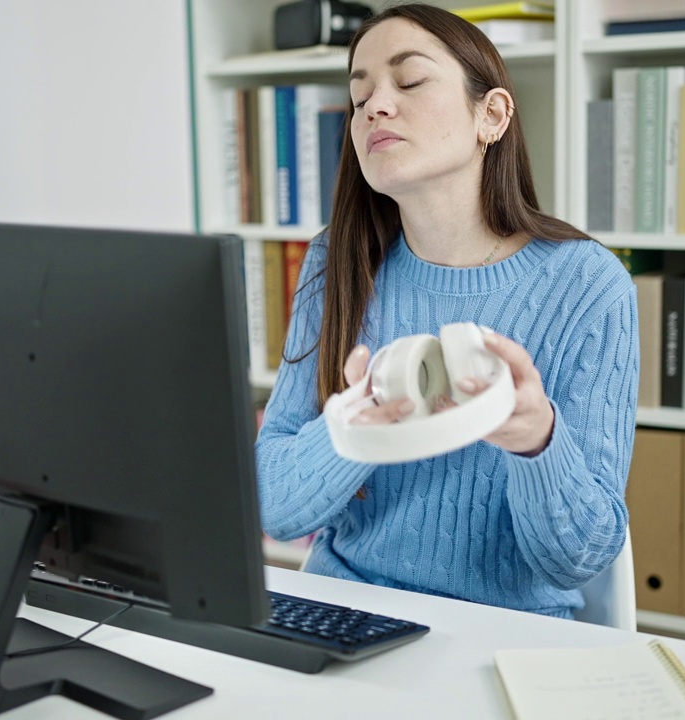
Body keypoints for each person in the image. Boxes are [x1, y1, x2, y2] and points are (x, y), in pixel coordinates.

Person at [254, 2, 639, 619]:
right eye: (359, 98)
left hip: (505, 630)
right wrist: (349, 432)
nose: (376, 106)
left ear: (491, 115)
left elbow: (580, 559)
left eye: (409, 82)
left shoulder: (589, 285)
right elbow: (274, 508)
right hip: (346, 611)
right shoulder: (337, 263)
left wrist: (537, 440)